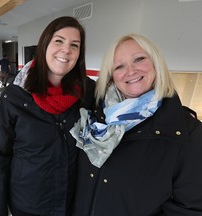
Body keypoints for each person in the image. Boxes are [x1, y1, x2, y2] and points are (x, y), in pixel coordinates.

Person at [70, 33, 202, 215]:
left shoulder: (189, 133)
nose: (130, 71)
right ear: (112, 76)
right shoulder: (95, 118)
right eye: (119, 66)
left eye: (139, 59)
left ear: (157, 64)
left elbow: (191, 210)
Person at [0, 16, 95, 216]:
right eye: (59, 41)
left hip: (73, 204)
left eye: (75, 45)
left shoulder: (88, 92)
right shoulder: (15, 97)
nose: (66, 50)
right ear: (45, 45)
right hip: (28, 206)